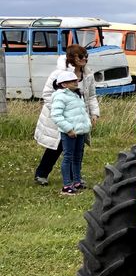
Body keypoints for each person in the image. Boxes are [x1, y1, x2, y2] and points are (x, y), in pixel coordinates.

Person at [33, 44, 99, 186]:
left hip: (79, 117)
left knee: (77, 149)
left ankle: (75, 178)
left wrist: (94, 113)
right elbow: (47, 94)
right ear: (71, 58)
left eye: (86, 56)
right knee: (56, 147)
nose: (84, 59)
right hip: (59, 117)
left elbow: (92, 96)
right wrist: (60, 109)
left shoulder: (88, 75)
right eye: (80, 56)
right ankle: (41, 174)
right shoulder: (58, 74)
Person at [50, 69, 93, 195]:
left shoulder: (75, 95)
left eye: (75, 80)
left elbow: (82, 112)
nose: (76, 82)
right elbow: (56, 115)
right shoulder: (60, 96)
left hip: (80, 131)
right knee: (68, 157)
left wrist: (86, 125)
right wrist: (68, 129)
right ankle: (67, 185)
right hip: (70, 132)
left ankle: (77, 181)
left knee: (77, 157)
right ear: (64, 84)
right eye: (72, 81)